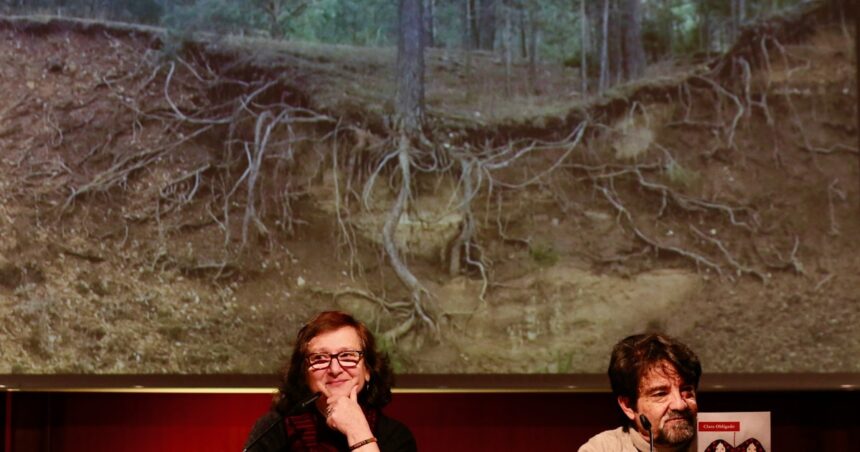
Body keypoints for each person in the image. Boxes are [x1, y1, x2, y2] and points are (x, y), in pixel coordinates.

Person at [244, 311, 417, 451]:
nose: (335, 369)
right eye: (319, 358)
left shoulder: (395, 436)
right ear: (304, 373)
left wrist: (359, 433)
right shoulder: (275, 428)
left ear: (368, 370)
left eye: (348, 356)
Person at [579, 333, 702, 452]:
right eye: (660, 394)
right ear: (628, 406)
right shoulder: (601, 449)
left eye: (686, 390)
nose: (680, 405)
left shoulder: (716, 440)